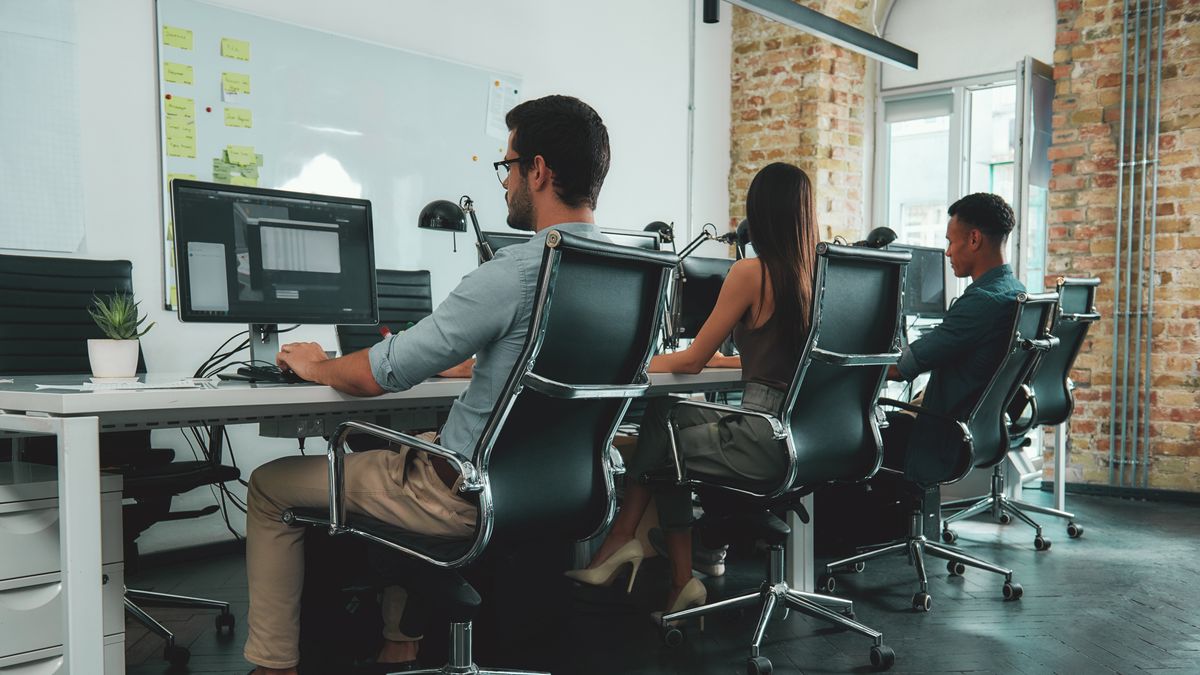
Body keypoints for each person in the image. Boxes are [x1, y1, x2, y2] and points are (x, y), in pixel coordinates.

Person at [243, 94, 612, 675]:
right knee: (400, 441)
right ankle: (401, 640)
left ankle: (273, 667)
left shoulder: (513, 272)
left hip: (458, 498)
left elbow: (380, 373)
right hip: (562, 493)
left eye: (509, 165)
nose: (506, 182)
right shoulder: (628, 275)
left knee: (269, 486)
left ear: (538, 170)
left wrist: (315, 364)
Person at [565, 162, 820, 620]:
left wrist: (629, 362)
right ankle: (665, 571)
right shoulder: (818, 277)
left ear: (757, 214)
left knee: (663, 434)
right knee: (666, 419)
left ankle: (636, 550)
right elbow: (792, 361)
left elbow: (689, 361)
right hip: (807, 436)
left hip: (763, 437)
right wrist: (737, 359)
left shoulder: (751, 273)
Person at [883, 192, 1026, 482]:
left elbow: (899, 369)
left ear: (974, 239)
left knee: (854, 438)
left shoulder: (981, 303)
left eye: (950, 241)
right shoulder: (1014, 290)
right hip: (979, 430)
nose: (947, 252)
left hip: (941, 436)